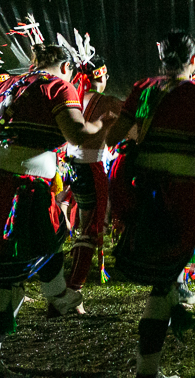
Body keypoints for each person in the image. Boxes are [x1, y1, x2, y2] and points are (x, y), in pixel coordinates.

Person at [0, 41, 108, 378]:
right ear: (66, 67)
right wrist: (106, 122)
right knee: (9, 279)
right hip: (19, 188)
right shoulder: (58, 86)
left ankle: (57, 299)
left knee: (42, 249)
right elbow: (78, 135)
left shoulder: (10, 83)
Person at [105, 30, 195, 378]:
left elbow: (113, 137)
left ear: (163, 61)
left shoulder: (144, 89)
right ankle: (148, 370)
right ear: (194, 63)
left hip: (142, 193)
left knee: (162, 282)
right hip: (178, 198)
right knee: (163, 284)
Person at [65, 49, 119, 297]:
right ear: (103, 75)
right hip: (91, 167)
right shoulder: (106, 102)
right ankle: (73, 289)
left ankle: (71, 280)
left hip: (73, 167)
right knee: (90, 228)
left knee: (84, 225)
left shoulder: (74, 97)